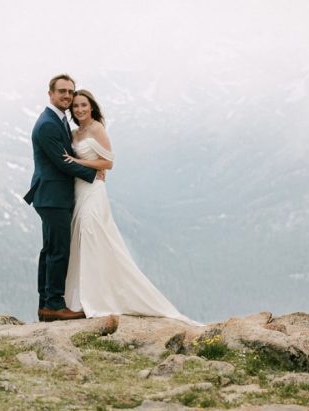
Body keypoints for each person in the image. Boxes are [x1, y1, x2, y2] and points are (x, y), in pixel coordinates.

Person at [62, 90, 201, 326]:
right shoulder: (74, 133)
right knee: (81, 237)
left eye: (84, 105)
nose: (80, 109)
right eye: (75, 106)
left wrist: (78, 161)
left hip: (94, 189)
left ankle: (98, 297)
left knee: (91, 232)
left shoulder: (97, 129)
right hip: (79, 189)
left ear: (91, 106)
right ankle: (82, 297)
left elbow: (108, 163)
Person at [23, 74, 101, 322]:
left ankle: (46, 304)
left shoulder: (58, 119)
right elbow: (62, 162)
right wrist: (94, 174)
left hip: (52, 195)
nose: (67, 96)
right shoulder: (47, 124)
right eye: (62, 91)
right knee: (59, 251)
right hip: (52, 196)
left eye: (70, 91)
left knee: (50, 250)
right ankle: (55, 305)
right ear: (50, 94)